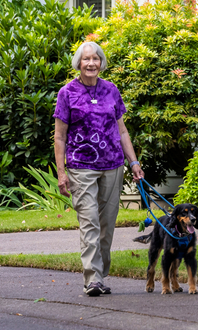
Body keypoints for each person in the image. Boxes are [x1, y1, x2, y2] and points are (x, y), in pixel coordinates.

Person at [55, 40, 145, 296]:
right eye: (86, 59)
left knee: (107, 223)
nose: (91, 63)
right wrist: (62, 173)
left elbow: (122, 130)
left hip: (113, 165)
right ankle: (93, 278)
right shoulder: (67, 93)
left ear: (101, 62)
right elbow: (59, 137)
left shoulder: (111, 90)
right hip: (81, 166)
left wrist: (134, 162)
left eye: (96, 59)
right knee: (90, 222)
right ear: (78, 63)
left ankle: (100, 272)